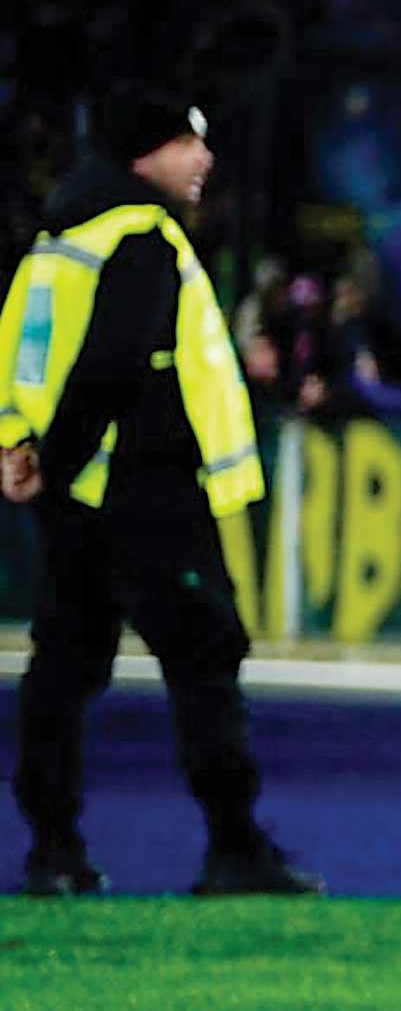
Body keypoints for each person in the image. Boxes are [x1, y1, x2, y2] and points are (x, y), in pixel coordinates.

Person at [4, 94, 317, 899]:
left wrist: (23, 452)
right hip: (144, 488)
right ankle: (234, 845)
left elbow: (24, 354)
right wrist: (64, 460)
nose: (203, 159)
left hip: (75, 492)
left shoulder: (58, 238)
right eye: (187, 142)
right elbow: (112, 367)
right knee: (206, 654)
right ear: (144, 154)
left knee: (64, 667)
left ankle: (53, 850)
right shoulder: (142, 238)